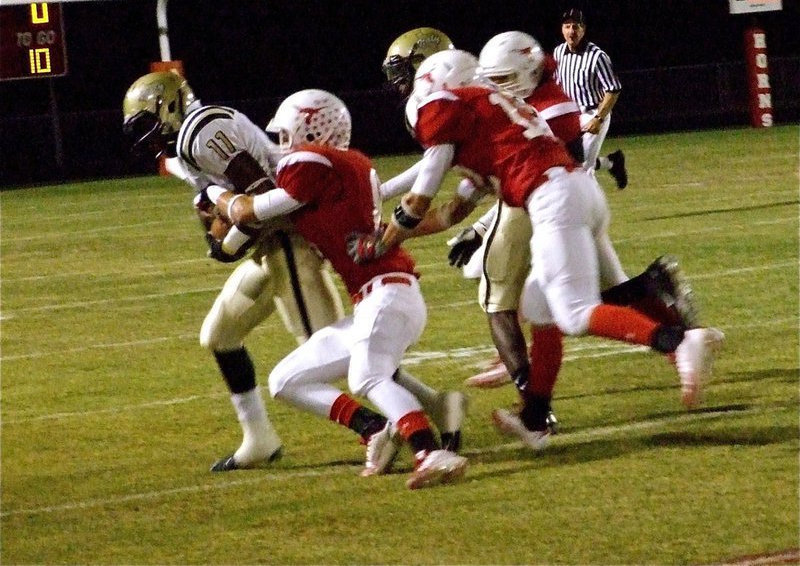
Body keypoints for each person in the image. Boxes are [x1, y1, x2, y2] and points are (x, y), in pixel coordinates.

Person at [349, 49, 724, 452]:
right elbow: (448, 214)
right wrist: (396, 235)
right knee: (538, 305)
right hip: (575, 190)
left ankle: (677, 340)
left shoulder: (440, 107)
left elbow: (420, 200)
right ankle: (534, 419)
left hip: (551, 198)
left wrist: (381, 241)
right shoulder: (493, 116)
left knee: (574, 312)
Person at [122, 72, 464, 473]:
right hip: (268, 247)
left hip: (288, 244)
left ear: (170, 107)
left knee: (331, 352)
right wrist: (220, 228)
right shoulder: (187, 146)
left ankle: (390, 424)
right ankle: (260, 438)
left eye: (148, 124)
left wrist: (225, 237)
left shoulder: (201, 130)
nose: (147, 137)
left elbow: (262, 195)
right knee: (221, 335)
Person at [216, 89, 468, 489]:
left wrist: (217, 196)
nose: (284, 147)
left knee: (367, 377)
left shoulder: (314, 161)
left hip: (386, 293)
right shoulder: (350, 166)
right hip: (377, 299)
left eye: (287, 134)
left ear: (310, 127)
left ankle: (429, 450)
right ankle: (378, 431)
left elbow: (249, 211)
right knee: (286, 380)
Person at [457, 31, 699, 391]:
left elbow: (536, 177)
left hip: (558, 204)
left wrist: (478, 226)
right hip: (565, 200)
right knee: (604, 292)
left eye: (505, 79)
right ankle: (673, 325)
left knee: (527, 286)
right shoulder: (530, 102)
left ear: (529, 72)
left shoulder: (552, 109)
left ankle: (674, 336)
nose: (499, 89)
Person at [554, 8, 627, 190]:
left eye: (576, 27)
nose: (571, 31)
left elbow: (613, 89)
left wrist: (599, 118)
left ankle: (591, 215)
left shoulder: (597, 56)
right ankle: (612, 162)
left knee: (580, 169)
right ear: (562, 29)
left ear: (583, 29)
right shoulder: (558, 53)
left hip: (592, 113)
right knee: (564, 163)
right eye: (567, 26)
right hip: (570, 117)